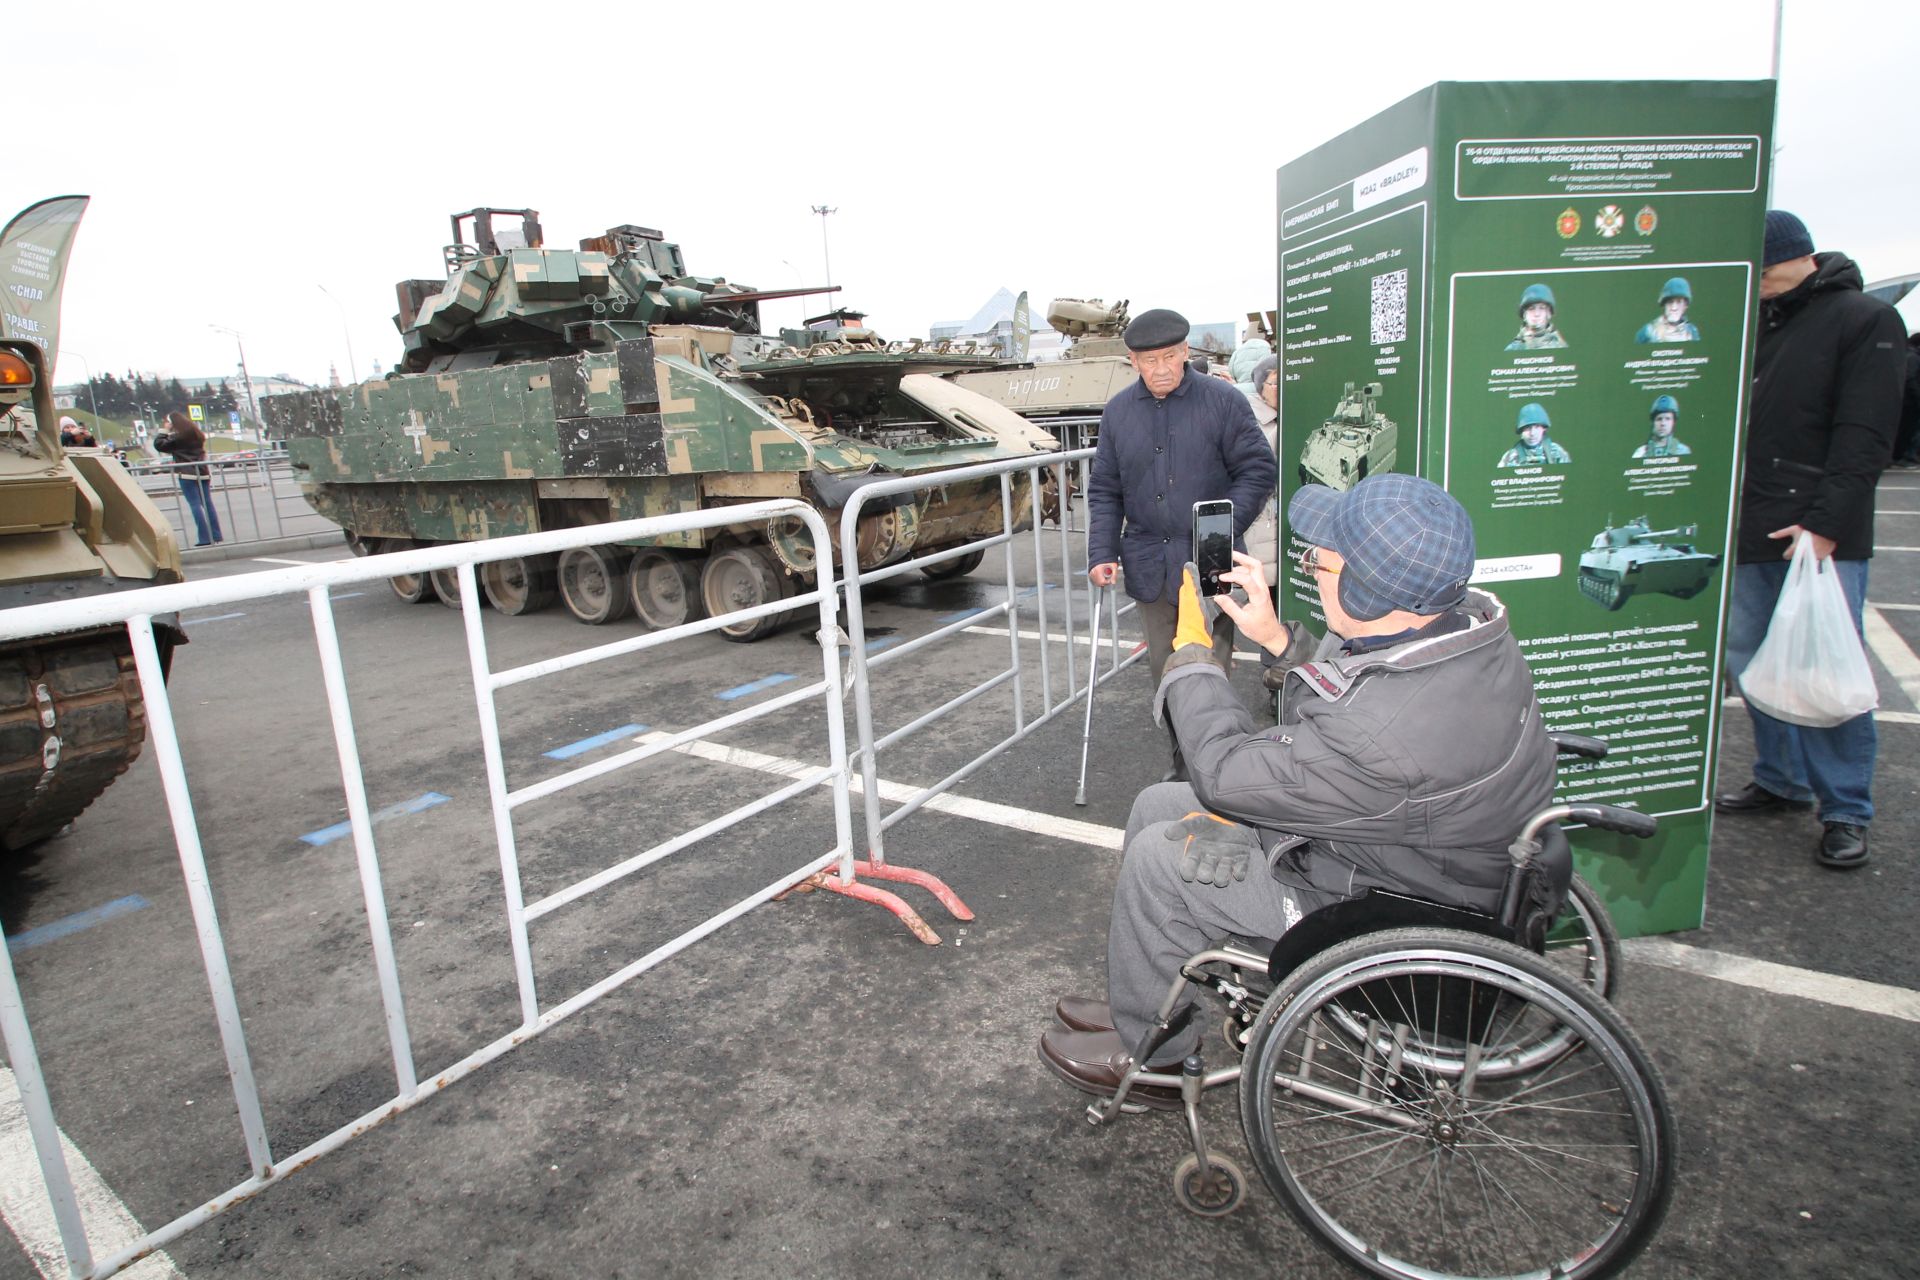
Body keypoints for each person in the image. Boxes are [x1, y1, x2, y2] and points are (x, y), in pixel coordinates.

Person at [1040, 474, 1554, 1105]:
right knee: (1157, 803)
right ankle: (1148, 992)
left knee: (1159, 860)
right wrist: (1276, 638)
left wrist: (1194, 655)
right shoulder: (1459, 631)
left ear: (1367, 591)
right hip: (1399, 846)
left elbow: (1225, 774)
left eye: (1322, 560)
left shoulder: (1385, 733)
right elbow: (1354, 702)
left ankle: (1157, 1059)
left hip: (1386, 905)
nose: (1309, 568)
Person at [1714, 211, 1905, 870]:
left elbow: (1866, 435)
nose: (1758, 282)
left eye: (1764, 269)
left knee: (1822, 666)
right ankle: (1780, 779)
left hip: (1818, 536)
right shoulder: (1760, 324)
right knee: (1755, 659)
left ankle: (1845, 807)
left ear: (1803, 258)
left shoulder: (1864, 320)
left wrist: (1826, 524)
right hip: (1754, 524)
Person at [1086, 307, 1276, 781]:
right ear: (1133, 361)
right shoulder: (1118, 412)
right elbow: (1105, 488)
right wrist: (1101, 553)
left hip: (1210, 559)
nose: (1163, 368)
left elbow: (1257, 469)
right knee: (1164, 672)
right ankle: (1182, 763)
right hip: (1150, 561)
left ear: (1186, 351)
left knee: (1210, 669)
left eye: (1171, 356)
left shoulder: (1222, 401)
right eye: (1151, 360)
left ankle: (1213, 769)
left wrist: (1223, 525)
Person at [153, 409, 224, 547]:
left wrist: (164, 431)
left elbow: (159, 445)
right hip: (202, 471)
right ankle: (216, 535)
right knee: (207, 503)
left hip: (187, 473)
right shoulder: (197, 434)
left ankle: (204, 538)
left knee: (195, 504)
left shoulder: (178, 438)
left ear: (173, 423)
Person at [1240, 356, 1281, 588]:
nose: (1282, 389)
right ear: (1260, 386)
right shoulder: (1251, 423)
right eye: (1275, 382)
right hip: (1261, 524)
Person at [1499, 402, 1571, 465]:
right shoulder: (1510, 457)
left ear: (1543, 428)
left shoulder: (1557, 452)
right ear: (1521, 431)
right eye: (1527, 428)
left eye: (1537, 427)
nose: (1532, 433)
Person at [1635, 277, 1701, 344]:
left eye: (1679, 302)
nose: (1674, 308)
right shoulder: (1649, 332)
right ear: (1664, 304)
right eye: (1670, 302)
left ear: (1685, 306)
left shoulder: (1692, 331)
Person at [1505, 283, 1567, 350]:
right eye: (1531, 309)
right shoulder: (1513, 348)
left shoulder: (1560, 346)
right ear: (1524, 314)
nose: (1537, 314)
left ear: (1549, 313)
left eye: (1542, 308)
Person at [1632, 394, 1692, 459]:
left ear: (1673, 422)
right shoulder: (1640, 453)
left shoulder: (1683, 451)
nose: (1663, 423)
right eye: (1659, 419)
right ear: (1652, 422)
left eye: (1668, 419)